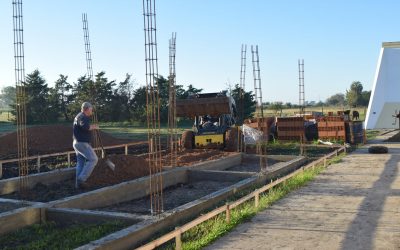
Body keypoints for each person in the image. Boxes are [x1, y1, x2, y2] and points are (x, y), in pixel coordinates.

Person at [73, 102, 99, 189]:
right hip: (82, 143)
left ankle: (78, 185)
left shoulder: (79, 116)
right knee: (94, 159)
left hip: (77, 143)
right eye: (91, 109)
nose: (92, 111)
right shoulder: (83, 117)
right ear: (87, 109)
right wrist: (94, 127)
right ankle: (81, 179)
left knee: (80, 163)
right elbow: (85, 127)